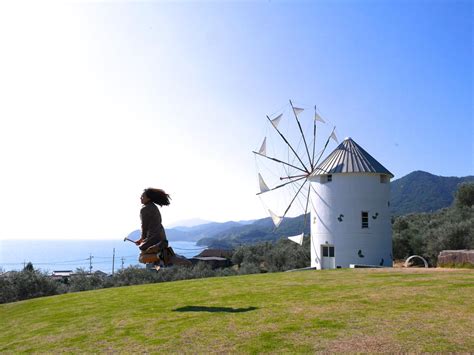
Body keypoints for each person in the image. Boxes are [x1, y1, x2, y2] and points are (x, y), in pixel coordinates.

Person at [135, 188, 171, 257]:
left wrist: (142, 239)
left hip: (154, 239)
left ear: (148, 198)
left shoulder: (144, 209)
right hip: (162, 238)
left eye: (142, 196)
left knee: (142, 256)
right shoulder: (154, 207)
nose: (140, 198)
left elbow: (144, 226)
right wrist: (142, 239)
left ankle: (157, 259)